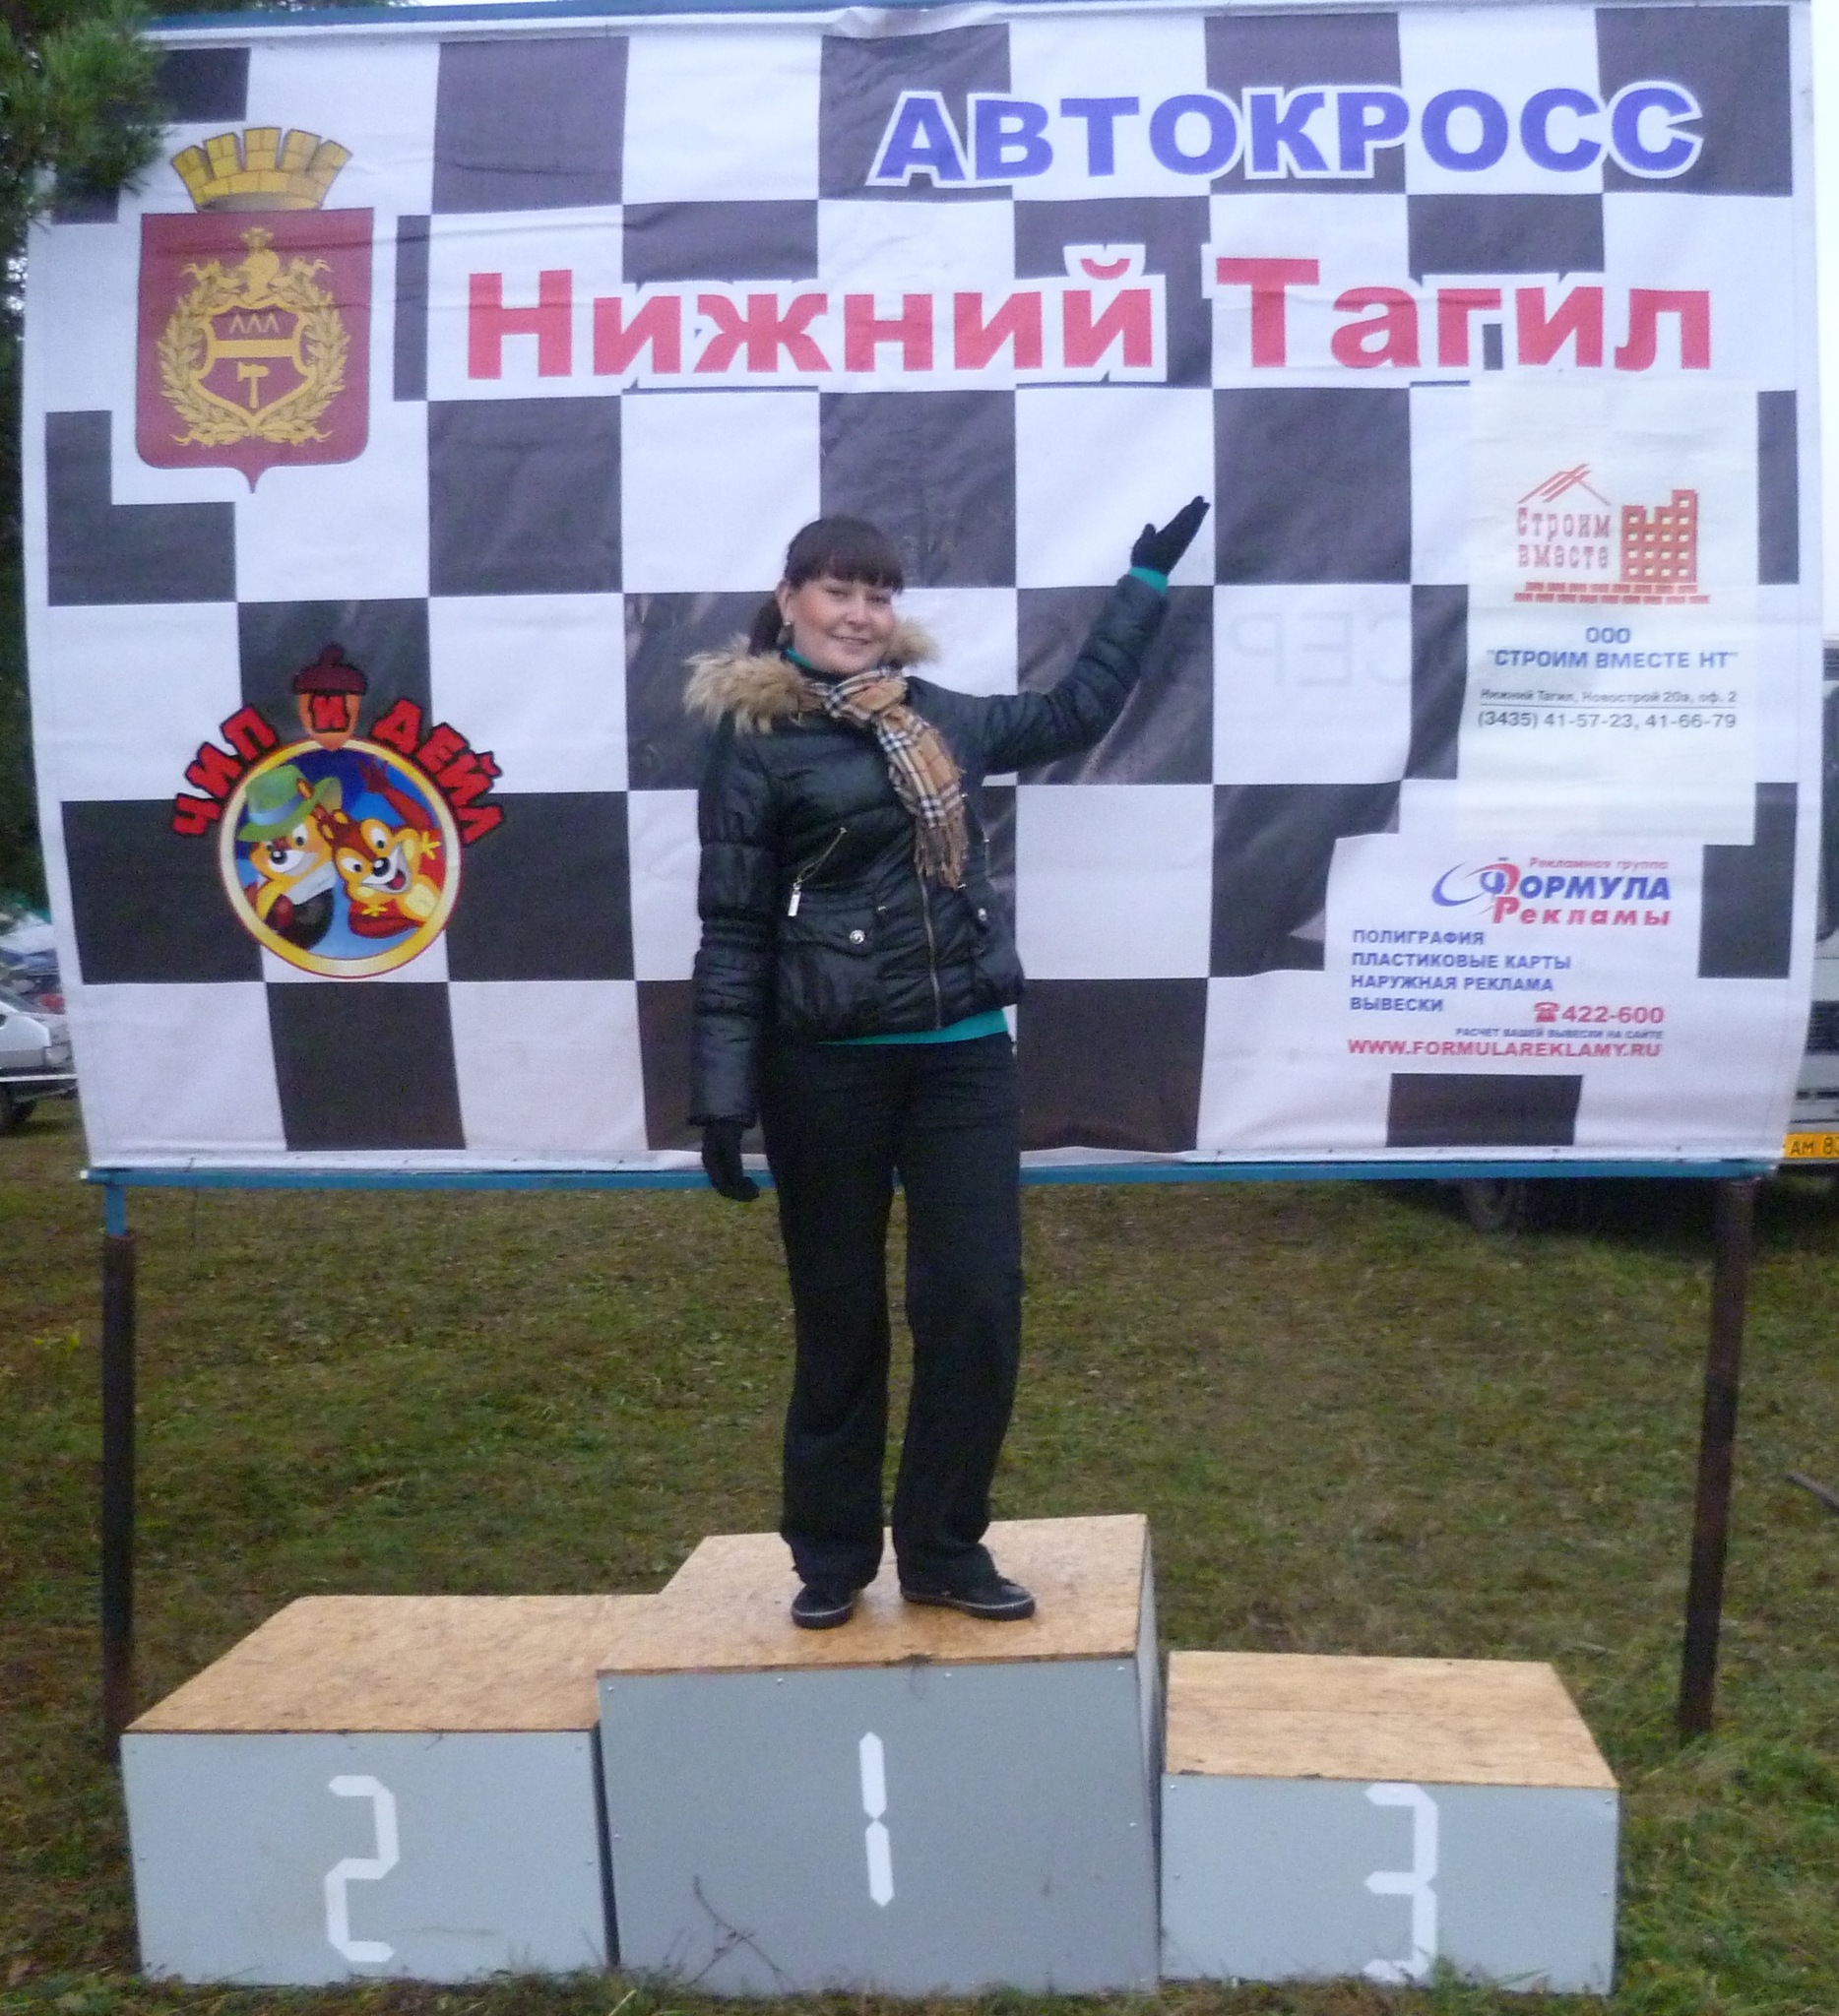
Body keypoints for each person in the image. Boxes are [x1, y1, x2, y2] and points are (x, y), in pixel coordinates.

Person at [685, 500, 1210, 1629]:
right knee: (839, 1317)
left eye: (877, 594)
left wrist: (1142, 584)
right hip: (822, 1067)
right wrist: (720, 1092)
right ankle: (831, 1554)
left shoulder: (938, 717)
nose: (858, 613)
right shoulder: (752, 739)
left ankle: (939, 1545)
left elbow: (1073, 711)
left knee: (973, 1305)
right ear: (788, 601)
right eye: (837, 590)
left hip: (959, 1057)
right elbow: (732, 926)